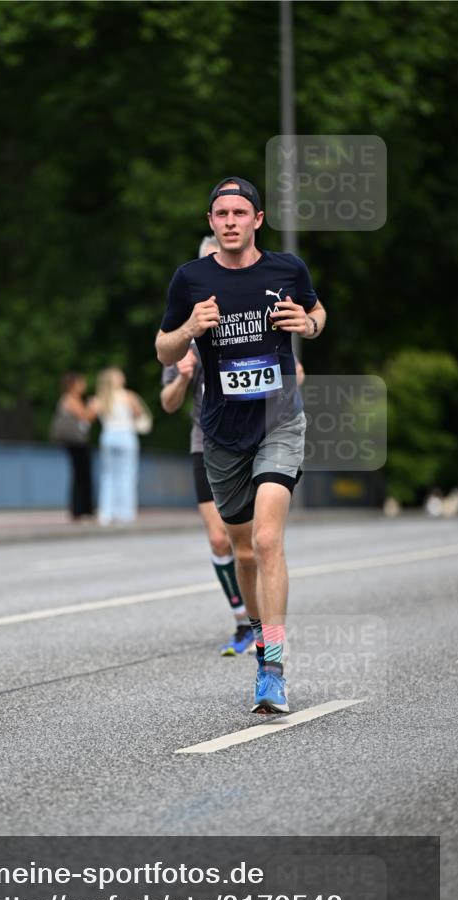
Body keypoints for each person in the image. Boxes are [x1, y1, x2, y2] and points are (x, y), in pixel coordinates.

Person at [156, 177, 326, 713]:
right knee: (244, 550)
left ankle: (271, 667)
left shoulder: (287, 269)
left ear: (258, 219)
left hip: (279, 422)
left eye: (240, 212)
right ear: (211, 221)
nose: (230, 221)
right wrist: (189, 327)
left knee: (268, 539)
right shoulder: (190, 279)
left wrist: (309, 324)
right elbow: (163, 350)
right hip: (222, 433)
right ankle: (257, 634)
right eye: (221, 214)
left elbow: (318, 313)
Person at [160, 235, 256, 656]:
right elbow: (167, 403)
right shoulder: (184, 332)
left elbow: (297, 372)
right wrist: (182, 377)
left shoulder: (251, 317)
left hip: (254, 438)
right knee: (220, 540)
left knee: (253, 543)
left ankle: (265, 621)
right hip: (206, 441)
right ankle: (242, 622)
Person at [93, 367, 145, 525]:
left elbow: (92, 415)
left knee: (108, 475)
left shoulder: (101, 398)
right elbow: (139, 414)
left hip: (108, 436)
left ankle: (106, 513)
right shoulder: (128, 396)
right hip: (126, 436)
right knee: (127, 475)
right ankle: (126, 513)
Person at [52, 372, 97, 520]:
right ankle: (81, 509)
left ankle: (82, 508)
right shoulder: (70, 400)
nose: (84, 386)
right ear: (72, 385)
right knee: (81, 475)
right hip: (76, 443)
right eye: (80, 383)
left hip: (76, 442)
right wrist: (93, 407)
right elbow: (86, 417)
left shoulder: (71, 400)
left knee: (80, 475)